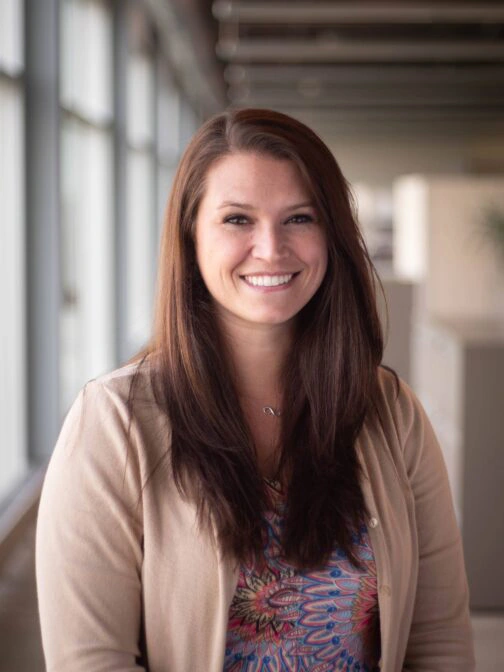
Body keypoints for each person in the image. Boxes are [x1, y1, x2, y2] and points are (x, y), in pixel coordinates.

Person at [36, 108, 475, 672]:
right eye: (238, 220)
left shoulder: (390, 413)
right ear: (190, 237)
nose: (271, 248)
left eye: (299, 218)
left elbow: (438, 640)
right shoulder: (115, 422)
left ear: (331, 234)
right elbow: (91, 662)